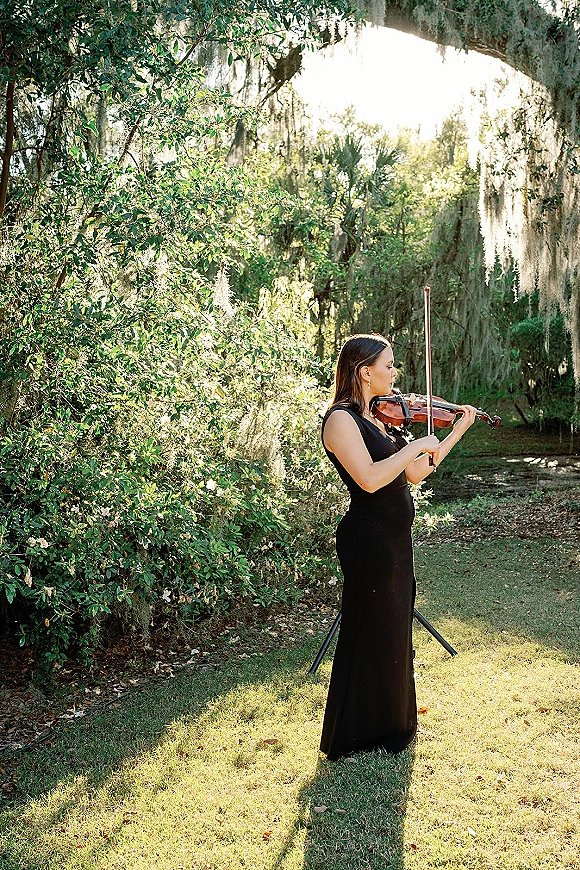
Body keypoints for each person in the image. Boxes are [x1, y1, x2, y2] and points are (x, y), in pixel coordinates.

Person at [319, 333, 477, 760]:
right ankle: (354, 733)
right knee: (368, 631)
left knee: (392, 632)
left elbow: (413, 474)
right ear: (365, 371)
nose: (395, 373)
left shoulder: (377, 419)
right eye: (388, 366)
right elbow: (370, 478)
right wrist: (414, 445)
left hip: (395, 540)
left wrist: (453, 432)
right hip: (367, 541)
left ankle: (391, 724)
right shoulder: (340, 421)